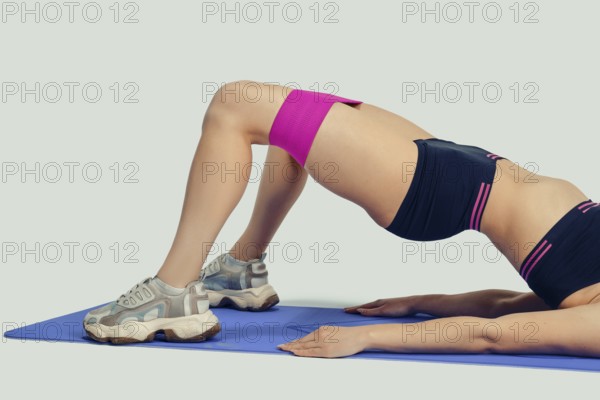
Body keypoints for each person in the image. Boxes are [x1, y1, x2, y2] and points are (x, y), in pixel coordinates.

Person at [83, 81, 600, 358]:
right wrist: (420, 301)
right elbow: (513, 303)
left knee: (234, 106)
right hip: (464, 164)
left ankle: (171, 294)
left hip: (430, 190)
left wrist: (369, 339)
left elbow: (503, 332)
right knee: (293, 125)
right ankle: (242, 269)